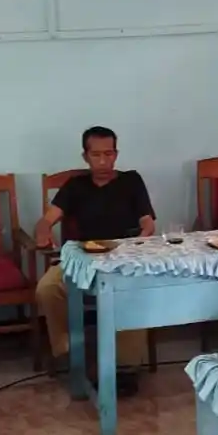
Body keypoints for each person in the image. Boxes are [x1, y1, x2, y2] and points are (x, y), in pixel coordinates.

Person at [34, 126, 155, 394]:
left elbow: (147, 221)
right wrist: (43, 232)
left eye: (109, 154)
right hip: (82, 256)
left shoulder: (132, 181)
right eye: (96, 155)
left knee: (136, 290)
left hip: (122, 255)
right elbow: (47, 219)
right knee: (48, 288)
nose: (103, 161)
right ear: (85, 156)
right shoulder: (75, 186)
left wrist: (144, 235)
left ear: (116, 154)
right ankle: (70, 351)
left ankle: (124, 367)